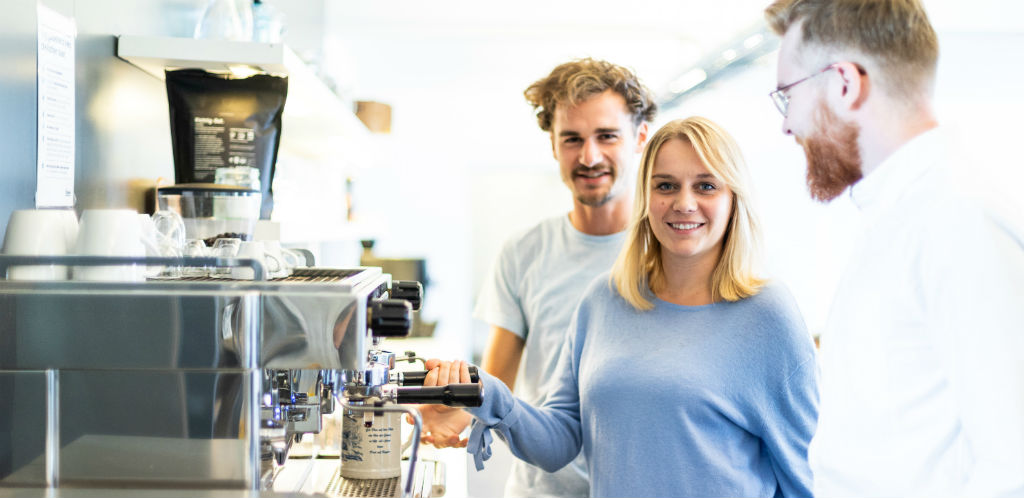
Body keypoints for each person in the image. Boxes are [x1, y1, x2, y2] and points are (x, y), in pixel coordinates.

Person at [424, 117, 819, 497]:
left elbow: (806, 471)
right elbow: (559, 440)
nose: (684, 203)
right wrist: (483, 393)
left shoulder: (766, 314)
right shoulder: (605, 300)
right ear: (646, 198)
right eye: (665, 186)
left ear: (734, 198)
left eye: (706, 186)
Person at [765, 0, 1024, 495]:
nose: (786, 124)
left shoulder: (957, 218)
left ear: (844, 83)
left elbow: (1013, 466)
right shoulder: (901, 214)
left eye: (787, 96)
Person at [413, 58, 656, 497]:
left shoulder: (669, 252)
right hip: (543, 488)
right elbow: (496, 380)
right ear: (552, 144)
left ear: (640, 138)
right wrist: (455, 410)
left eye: (606, 136)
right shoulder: (524, 252)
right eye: (572, 139)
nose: (589, 156)